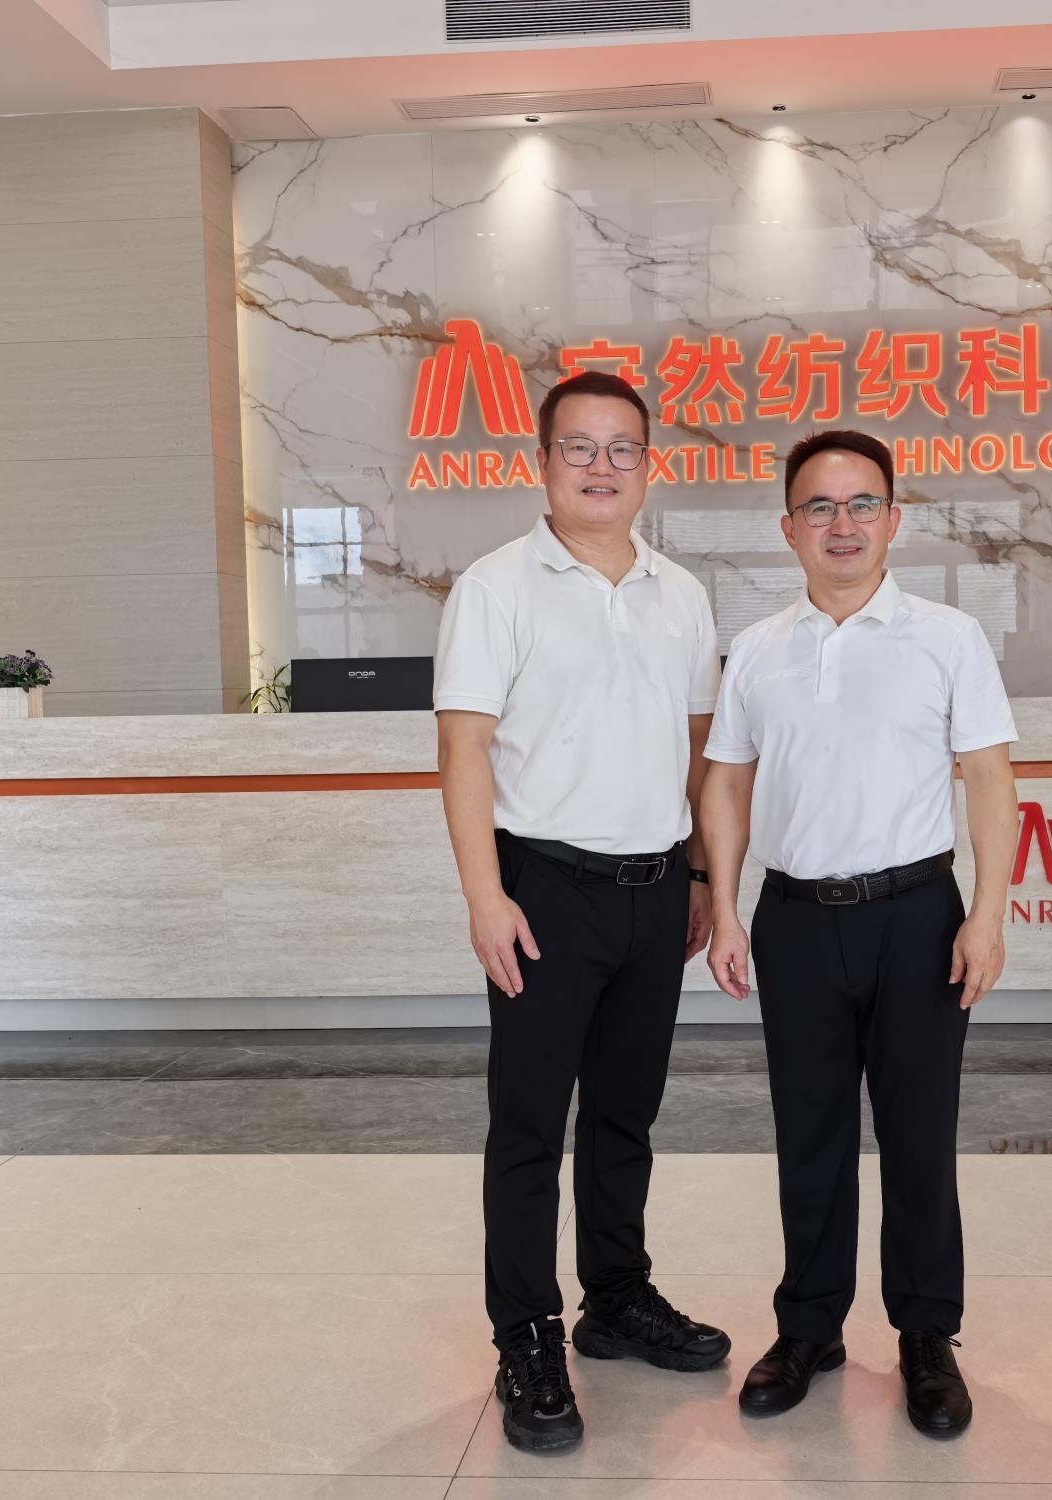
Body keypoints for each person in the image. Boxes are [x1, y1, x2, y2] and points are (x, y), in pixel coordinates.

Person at [433, 369, 731, 1456]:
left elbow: (698, 749)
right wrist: (485, 897)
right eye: (579, 447)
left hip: (654, 890)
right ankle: (525, 1336)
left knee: (623, 1116)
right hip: (543, 891)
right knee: (528, 1126)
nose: (601, 467)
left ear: (649, 465)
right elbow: (463, 748)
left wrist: (698, 877)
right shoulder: (496, 588)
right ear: (542, 462)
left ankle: (616, 1296)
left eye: (621, 449)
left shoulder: (679, 592)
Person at [700, 428, 1019, 1438]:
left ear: (893, 518)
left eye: (861, 504)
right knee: (810, 1135)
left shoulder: (946, 638)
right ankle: (809, 1329)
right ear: (788, 526)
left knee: (919, 1134)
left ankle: (926, 1335)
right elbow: (726, 783)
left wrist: (987, 915)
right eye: (820, 507)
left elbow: (991, 780)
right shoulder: (757, 650)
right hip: (795, 919)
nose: (842, 525)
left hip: (916, 916)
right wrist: (724, 908)